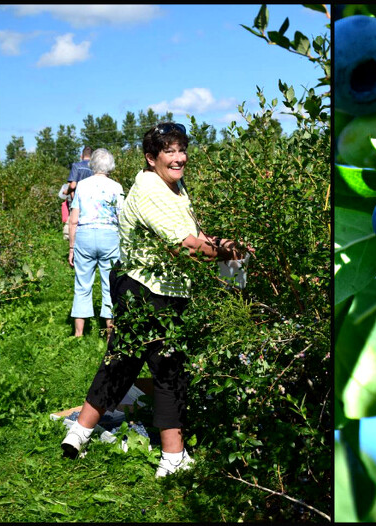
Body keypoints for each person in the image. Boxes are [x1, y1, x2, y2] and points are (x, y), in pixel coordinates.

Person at [61, 122, 254, 478]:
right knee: (169, 371)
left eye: (182, 149)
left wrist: (219, 242)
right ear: (151, 158)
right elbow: (185, 245)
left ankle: (79, 432)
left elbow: (192, 234)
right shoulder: (150, 189)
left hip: (143, 286)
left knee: (121, 363)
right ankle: (172, 458)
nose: (179, 158)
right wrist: (229, 252)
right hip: (152, 291)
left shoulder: (172, 186)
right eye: (170, 151)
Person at [67, 148, 124, 337]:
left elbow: (73, 219)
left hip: (85, 235)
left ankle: (78, 334)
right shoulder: (116, 187)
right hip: (110, 235)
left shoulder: (82, 186)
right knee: (110, 284)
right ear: (110, 166)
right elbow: (122, 218)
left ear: (92, 165)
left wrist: (71, 248)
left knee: (82, 284)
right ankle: (110, 334)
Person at [63, 147, 94, 241]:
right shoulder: (95, 168)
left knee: (73, 225)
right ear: (92, 157)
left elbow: (72, 186)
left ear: (81, 156)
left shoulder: (76, 166)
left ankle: (73, 248)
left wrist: (66, 192)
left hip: (77, 201)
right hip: (92, 202)